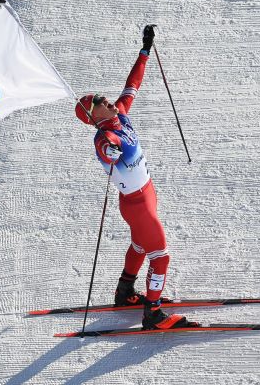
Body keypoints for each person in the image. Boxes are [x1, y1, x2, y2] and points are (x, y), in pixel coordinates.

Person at [74, 26, 196, 330]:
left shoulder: (121, 114)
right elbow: (106, 149)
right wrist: (110, 151)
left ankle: (125, 291)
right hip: (136, 203)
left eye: (103, 96)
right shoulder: (105, 136)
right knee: (161, 256)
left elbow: (132, 84)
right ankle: (152, 314)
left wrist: (144, 51)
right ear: (94, 116)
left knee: (141, 247)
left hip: (145, 195)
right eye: (99, 101)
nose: (106, 99)